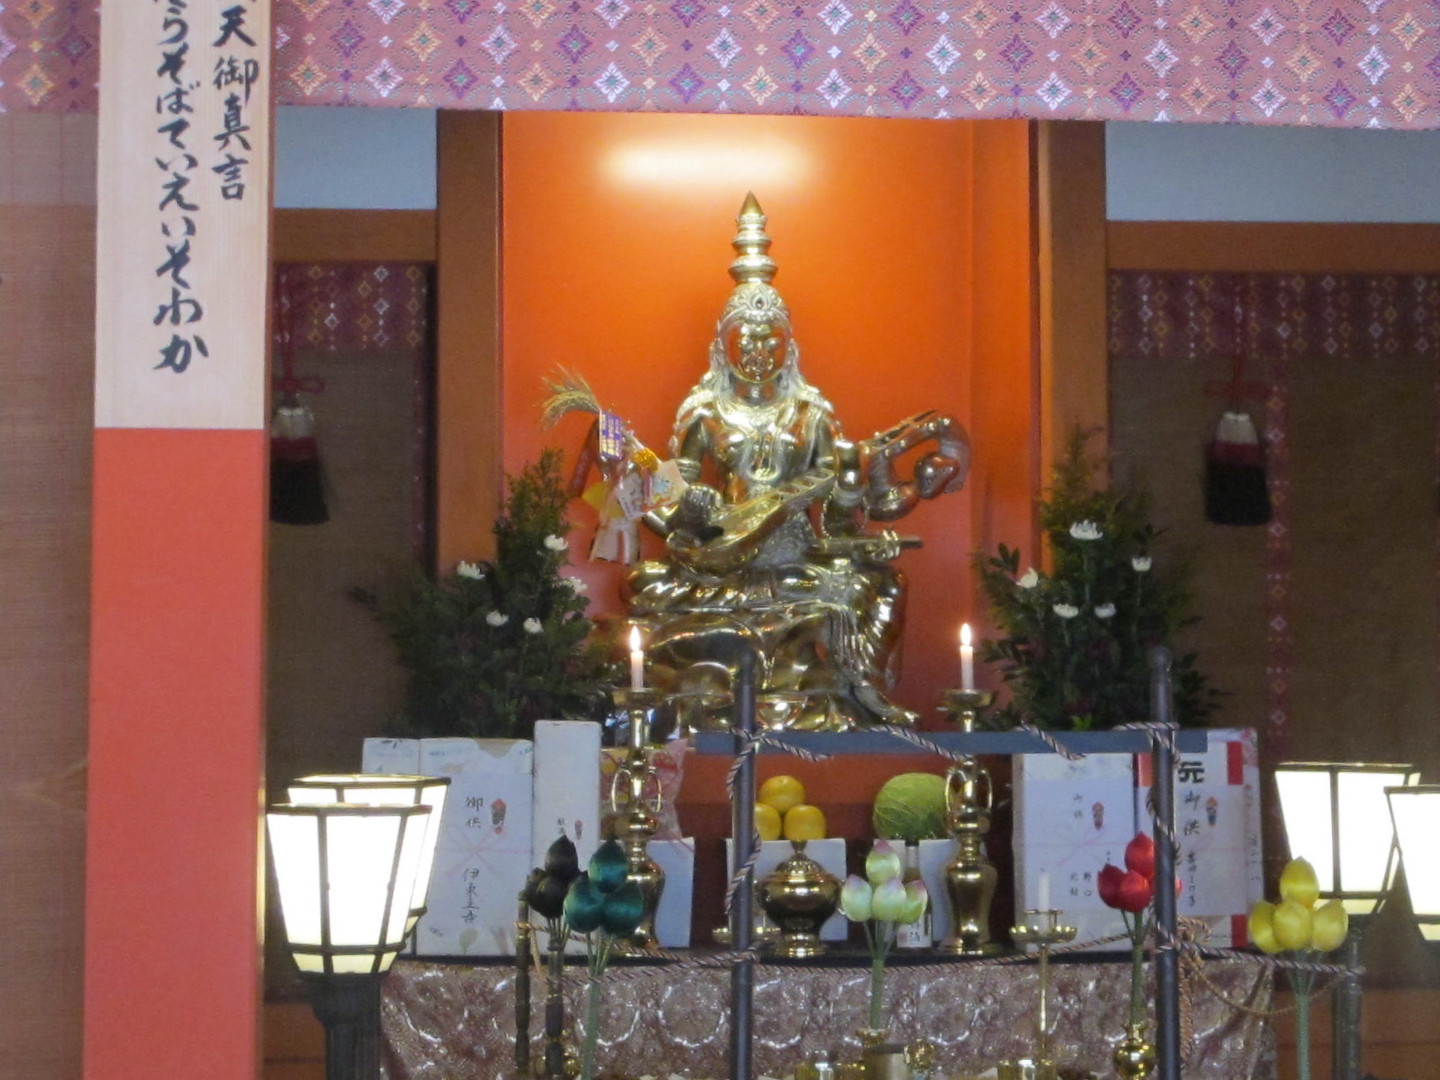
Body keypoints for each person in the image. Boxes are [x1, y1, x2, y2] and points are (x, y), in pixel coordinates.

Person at [625, 194, 968, 731]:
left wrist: (854, 502)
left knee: (878, 586)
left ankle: (861, 694)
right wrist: (687, 510)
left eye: (771, 341)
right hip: (724, 570)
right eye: (747, 340)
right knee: (643, 583)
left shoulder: (811, 413)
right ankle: (737, 687)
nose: (759, 353)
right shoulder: (703, 412)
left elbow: (838, 512)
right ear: (722, 345)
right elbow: (668, 509)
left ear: (790, 344)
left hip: (797, 563)